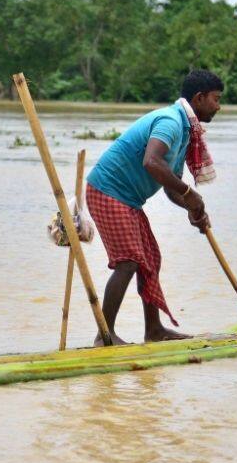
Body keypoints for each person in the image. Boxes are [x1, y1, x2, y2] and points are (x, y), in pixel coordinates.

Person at [85, 70, 223, 346]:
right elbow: (151, 162)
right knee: (128, 261)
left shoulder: (185, 130)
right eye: (216, 99)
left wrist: (192, 208)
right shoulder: (171, 122)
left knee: (151, 259)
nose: (218, 106)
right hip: (107, 190)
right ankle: (104, 335)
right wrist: (190, 194)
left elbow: (172, 186)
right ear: (199, 98)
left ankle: (154, 330)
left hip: (128, 199)